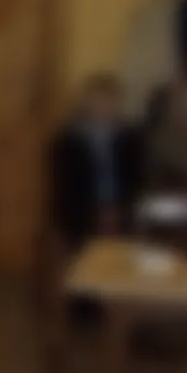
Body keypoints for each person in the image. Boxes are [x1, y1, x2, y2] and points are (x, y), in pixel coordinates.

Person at [48, 74, 145, 250]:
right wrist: (93, 213)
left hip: (122, 213)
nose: (102, 105)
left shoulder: (130, 138)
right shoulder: (68, 140)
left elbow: (137, 178)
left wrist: (121, 209)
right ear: (86, 102)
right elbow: (64, 185)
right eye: (97, 100)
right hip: (81, 216)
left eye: (108, 100)